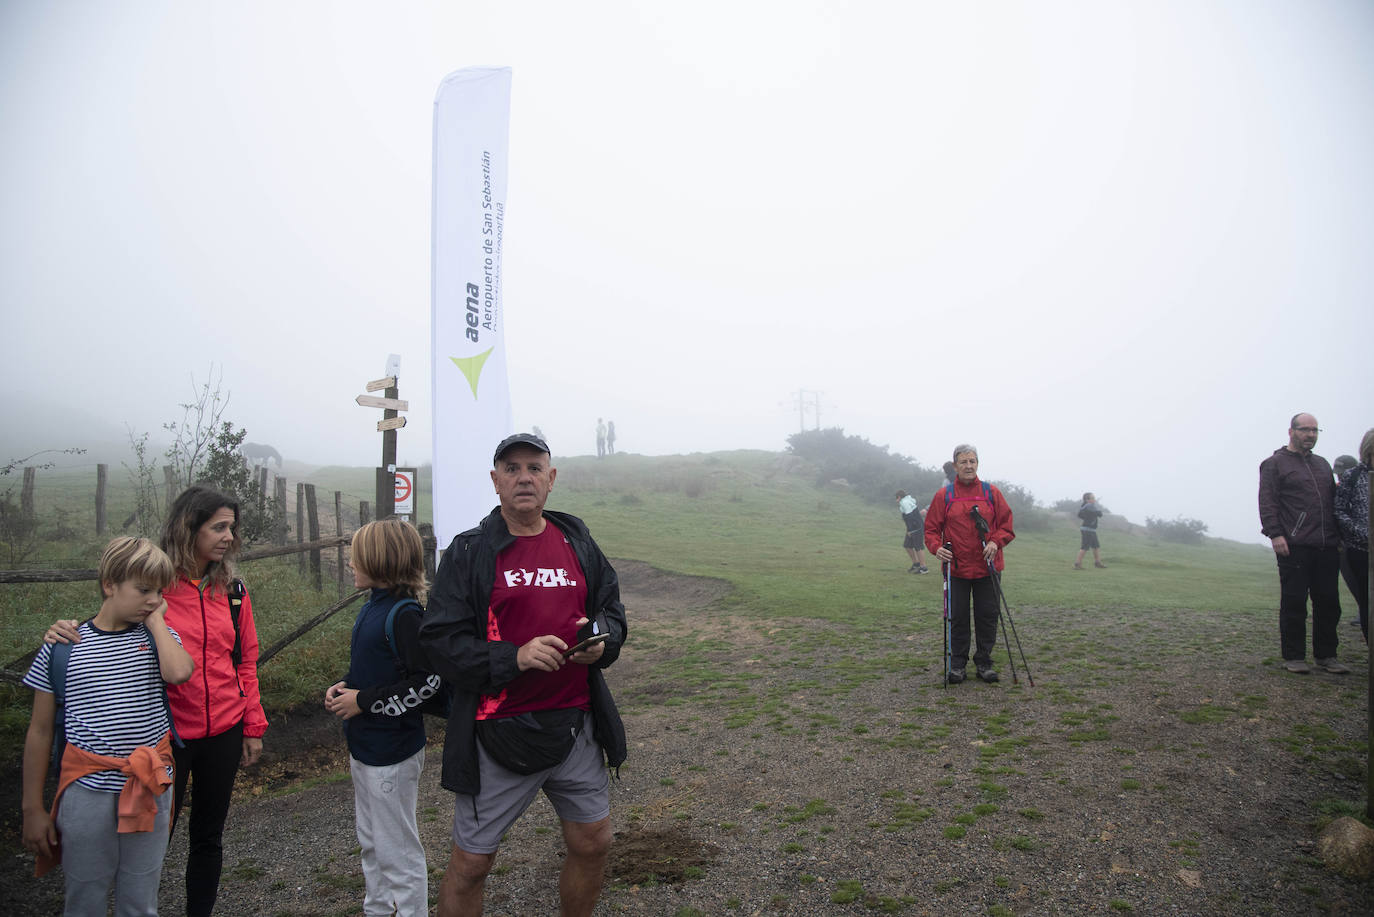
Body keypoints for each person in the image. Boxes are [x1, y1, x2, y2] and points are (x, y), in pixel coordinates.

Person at [418, 433, 627, 917]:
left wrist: (601, 641)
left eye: (534, 468)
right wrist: (513, 657)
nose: (524, 477)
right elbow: (439, 643)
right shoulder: (470, 553)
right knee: (472, 863)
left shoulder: (577, 543)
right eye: (511, 469)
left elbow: (611, 614)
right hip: (498, 729)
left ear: (551, 479)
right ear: (495, 482)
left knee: (594, 841)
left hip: (575, 724)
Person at [47, 485, 269, 914]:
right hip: (167, 738)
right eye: (218, 527)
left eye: (232, 529)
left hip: (224, 730)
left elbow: (245, 661)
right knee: (153, 836)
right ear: (189, 527)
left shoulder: (234, 591)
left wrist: (252, 725)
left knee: (209, 837)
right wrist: (63, 630)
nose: (228, 537)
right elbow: (108, 630)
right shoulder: (156, 588)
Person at [22, 536, 194, 915]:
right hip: (86, 794)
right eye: (143, 589)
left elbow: (180, 672)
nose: (153, 598)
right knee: (85, 899)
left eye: (159, 592)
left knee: (140, 899)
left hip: (148, 788)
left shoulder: (157, 639)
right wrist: (32, 808)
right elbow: (39, 731)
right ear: (109, 584)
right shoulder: (64, 645)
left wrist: (156, 619)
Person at [324, 519, 438, 917]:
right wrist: (346, 687)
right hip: (366, 749)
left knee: (398, 852)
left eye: (357, 557)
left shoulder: (404, 615)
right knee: (372, 842)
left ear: (380, 561)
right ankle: (377, 910)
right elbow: (381, 670)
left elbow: (428, 682)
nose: (350, 563)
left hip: (392, 754)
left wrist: (364, 701)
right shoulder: (374, 606)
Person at [1258, 413, 1348, 675]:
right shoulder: (1274, 464)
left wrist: (1339, 537)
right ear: (1291, 431)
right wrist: (1275, 534)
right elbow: (1267, 502)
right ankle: (1294, 657)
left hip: (1327, 544)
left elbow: (1333, 503)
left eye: (1315, 430)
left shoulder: (1322, 465)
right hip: (1293, 544)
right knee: (1295, 602)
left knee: (1329, 602)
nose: (1311, 435)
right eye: (1305, 430)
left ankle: (1327, 656)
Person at [924, 445, 1015, 684]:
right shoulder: (944, 495)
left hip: (988, 567)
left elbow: (1007, 526)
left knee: (987, 616)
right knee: (958, 617)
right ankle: (957, 665)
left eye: (972, 461)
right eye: (963, 462)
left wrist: (996, 541)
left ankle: (984, 663)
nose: (968, 466)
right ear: (955, 466)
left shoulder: (991, 493)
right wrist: (937, 548)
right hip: (956, 568)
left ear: (978, 464)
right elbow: (931, 529)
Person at [1334, 431, 1372, 642]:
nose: (1338, 475)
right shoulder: (1351, 479)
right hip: (1356, 549)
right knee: (1365, 598)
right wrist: (1362, 534)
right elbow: (1339, 512)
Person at [895, 490, 929, 573]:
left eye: (896, 498)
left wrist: (910, 530)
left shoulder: (905, 503)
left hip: (916, 528)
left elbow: (910, 516)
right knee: (907, 545)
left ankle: (923, 568)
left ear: (899, 497)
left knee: (918, 547)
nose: (896, 500)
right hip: (912, 528)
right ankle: (916, 564)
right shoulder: (906, 501)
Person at [1073, 492, 1107, 569]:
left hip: (1091, 530)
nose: (1094, 499)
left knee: (1096, 546)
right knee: (1085, 547)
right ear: (1087, 500)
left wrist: (1088, 517)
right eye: (1092, 498)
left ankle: (1097, 563)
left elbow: (1080, 514)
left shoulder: (1085, 506)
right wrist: (1096, 513)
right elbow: (1099, 514)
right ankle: (1077, 564)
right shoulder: (1089, 505)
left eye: (1094, 498)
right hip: (1087, 530)